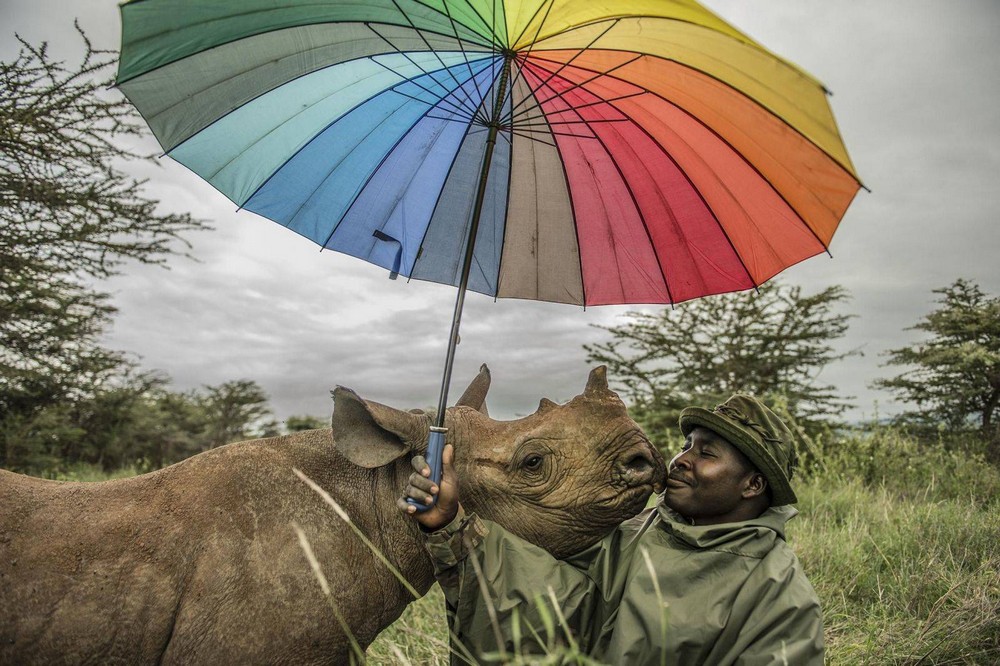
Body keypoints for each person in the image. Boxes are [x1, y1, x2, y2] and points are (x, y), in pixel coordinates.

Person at [398, 394, 824, 665]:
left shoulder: (778, 595)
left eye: (706, 453)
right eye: (685, 446)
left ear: (752, 485)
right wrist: (453, 524)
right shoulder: (640, 530)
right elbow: (562, 605)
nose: (680, 460)